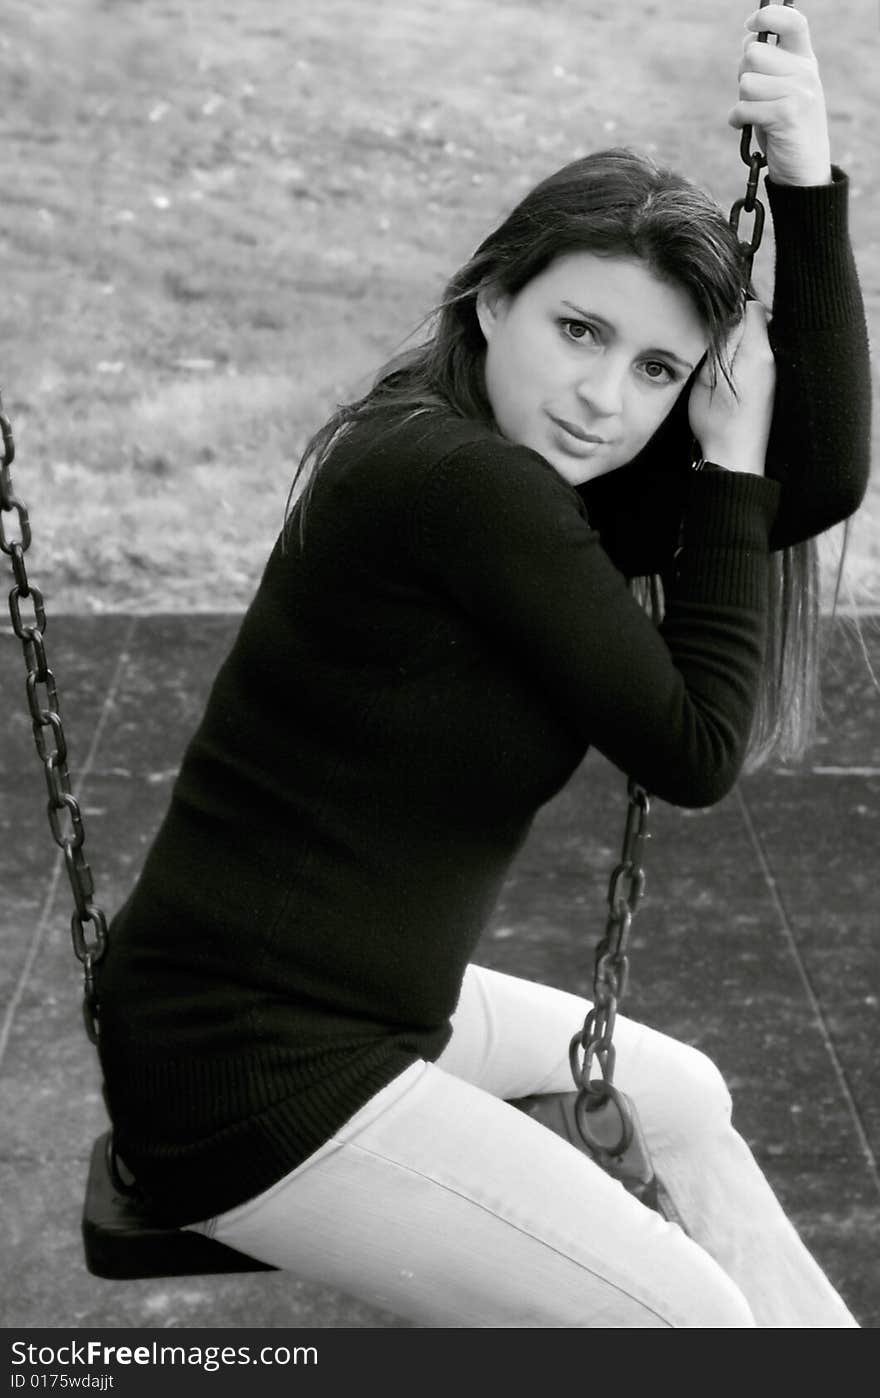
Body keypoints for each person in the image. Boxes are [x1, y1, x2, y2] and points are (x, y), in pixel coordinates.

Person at [96, 6, 871, 1326]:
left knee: (681, 1098)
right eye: (579, 331)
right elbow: (693, 749)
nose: (604, 399)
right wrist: (725, 463)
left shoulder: (510, 458)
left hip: (362, 1006)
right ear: (496, 293)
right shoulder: (460, 484)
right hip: (250, 1069)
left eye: (657, 369)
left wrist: (807, 181)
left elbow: (820, 479)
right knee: (692, 1325)